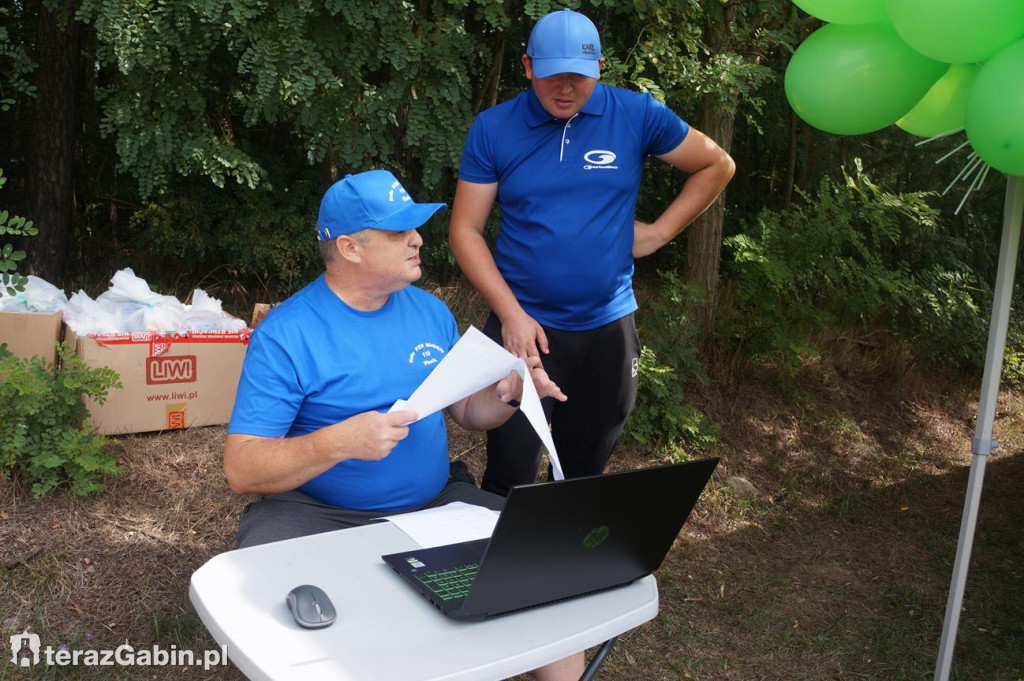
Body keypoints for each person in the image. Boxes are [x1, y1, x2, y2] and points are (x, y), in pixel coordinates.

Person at [223, 169, 583, 680]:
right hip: (316, 513)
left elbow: (467, 412)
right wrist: (339, 442)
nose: (418, 240)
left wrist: (508, 395)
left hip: (434, 505)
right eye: (399, 232)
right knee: (279, 617)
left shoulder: (430, 312)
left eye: (416, 227)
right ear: (349, 247)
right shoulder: (287, 335)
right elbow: (242, 469)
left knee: (545, 567)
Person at [449, 8, 736, 496]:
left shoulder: (635, 113)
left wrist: (661, 232)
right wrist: (511, 315)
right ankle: (498, 569)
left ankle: (567, 568)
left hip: (608, 332)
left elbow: (715, 163)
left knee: (583, 479)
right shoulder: (494, 128)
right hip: (524, 329)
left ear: (600, 67)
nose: (564, 88)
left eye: (578, 77)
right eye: (551, 75)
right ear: (526, 67)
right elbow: (465, 230)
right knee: (509, 475)